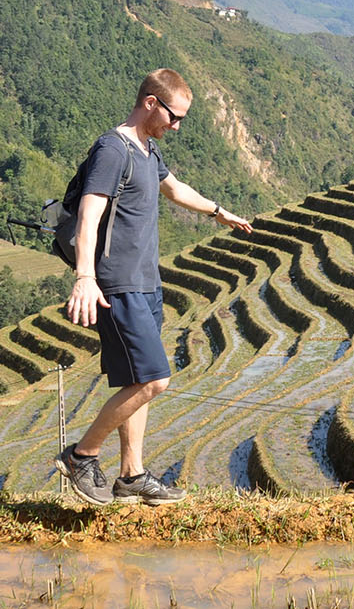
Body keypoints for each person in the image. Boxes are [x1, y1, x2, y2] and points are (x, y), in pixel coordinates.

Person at [54, 68, 253, 506]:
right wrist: (84, 275)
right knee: (155, 379)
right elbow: (90, 212)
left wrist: (219, 213)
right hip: (116, 284)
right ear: (150, 103)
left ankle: (132, 475)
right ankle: (81, 455)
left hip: (146, 282)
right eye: (173, 117)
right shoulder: (113, 148)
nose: (176, 126)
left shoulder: (146, 150)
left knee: (137, 379)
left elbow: (175, 189)